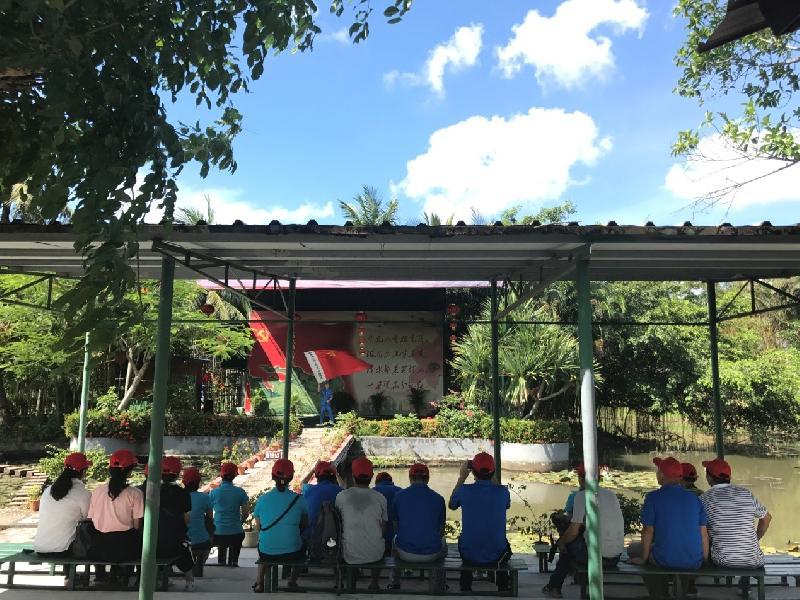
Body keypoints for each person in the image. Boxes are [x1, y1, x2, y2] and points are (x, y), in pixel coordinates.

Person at [628, 457, 708, 599]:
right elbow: (703, 534)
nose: (656, 473)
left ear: (662, 475)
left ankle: (660, 594)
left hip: (665, 559)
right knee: (681, 552)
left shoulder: (653, 497)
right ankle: (682, 591)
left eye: (658, 470)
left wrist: (644, 558)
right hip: (694, 561)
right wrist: (704, 560)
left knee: (633, 549)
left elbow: (648, 531)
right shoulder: (695, 499)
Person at [542, 463, 624, 599]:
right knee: (576, 543)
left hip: (598, 558)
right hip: (615, 557)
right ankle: (571, 581)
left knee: (567, 545)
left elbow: (573, 530)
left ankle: (554, 587)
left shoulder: (582, 496)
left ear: (580, 479)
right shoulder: (611, 495)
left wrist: (561, 542)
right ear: (599, 479)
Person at [448, 452, 512, 592]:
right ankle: (503, 584)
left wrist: (462, 477)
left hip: (469, 554)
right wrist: (491, 476)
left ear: (473, 471)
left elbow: (452, 505)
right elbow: (507, 505)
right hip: (497, 555)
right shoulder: (503, 492)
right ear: (493, 471)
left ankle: (465, 585)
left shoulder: (464, 490)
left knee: (466, 541)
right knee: (502, 545)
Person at [701, 458, 771, 576]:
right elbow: (767, 518)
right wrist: (756, 537)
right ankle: (745, 584)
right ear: (729, 477)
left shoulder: (704, 499)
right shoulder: (745, 493)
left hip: (723, 561)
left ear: (709, 477)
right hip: (754, 560)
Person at [87, 449, 144, 584]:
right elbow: (137, 526)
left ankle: (101, 575)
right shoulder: (135, 494)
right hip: (125, 549)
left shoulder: (97, 491)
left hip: (99, 549)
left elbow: (91, 519)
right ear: (129, 471)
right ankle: (129, 577)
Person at [252, 459, 309, 592]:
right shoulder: (299, 500)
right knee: (304, 546)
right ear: (291, 477)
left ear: (273, 476)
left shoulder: (262, 499)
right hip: (293, 552)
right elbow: (305, 524)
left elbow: (259, 528)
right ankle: (292, 581)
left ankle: (259, 582)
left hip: (267, 553)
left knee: (264, 546)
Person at [390, 463, 447, 592]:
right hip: (432, 554)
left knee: (394, 540)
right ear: (427, 479)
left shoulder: (398, 496)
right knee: (442, 542)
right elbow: (441, 530)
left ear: (410, 478)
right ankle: (438, 584)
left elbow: (395, 527)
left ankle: (394, 582)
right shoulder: (439, 498)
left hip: (405, 553)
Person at [335, 456, 387, 591]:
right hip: (375, 554)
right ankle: (374, 583)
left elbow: (339, 525)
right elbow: (383, 529)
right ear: (371, 476)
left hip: (349, 554)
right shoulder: (380, 498)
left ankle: (347, 582)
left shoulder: (341, 497)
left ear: (353, 476)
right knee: (380, 542)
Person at [34, 452, 92, 555]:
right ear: (83, 471)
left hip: (40, 548)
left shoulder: (48, 490)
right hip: (63, 549)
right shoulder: (82, 493)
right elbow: (89, 518)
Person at [156, 456, 194, 591]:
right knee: (184, 552)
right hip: (175, 540)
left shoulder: (153, 491)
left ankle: (159, 579)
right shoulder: (183, 493)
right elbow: (187, 518)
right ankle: (190, 581)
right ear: (178, 474)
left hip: (155, 540)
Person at [209, 461, 249, 567]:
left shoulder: (213, 493)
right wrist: (239, 522)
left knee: (221, 541)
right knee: (236, 538)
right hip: (236, 533)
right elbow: (246, 513)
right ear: (235, 475)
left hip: (218, 534)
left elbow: (208, 514)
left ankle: (221, 562)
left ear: (221, 475)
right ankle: (234, 562)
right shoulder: (240, 492)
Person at [183, 466, 213, 577]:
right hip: (201, 540)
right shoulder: (204, 497)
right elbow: (210, 518)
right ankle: (199, 564)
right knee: (210, 535)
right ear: (199, 483)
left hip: (181, 540)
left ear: (183, 482)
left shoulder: (178, 497)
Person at [301, 461, 342, 537]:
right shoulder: (338, 490)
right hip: (332, 537)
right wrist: (336, 473)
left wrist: (313, 470)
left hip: (309, 536)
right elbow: (344, 488)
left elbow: (303, 483)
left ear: (317, 475)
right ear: (332, 476)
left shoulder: (309, 489)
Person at [373, 471, 402, 556]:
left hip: (378, 538)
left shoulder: (372, 492)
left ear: (376, 482)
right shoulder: (401, 491)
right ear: (392, 482)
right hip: (397, 538)